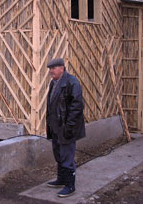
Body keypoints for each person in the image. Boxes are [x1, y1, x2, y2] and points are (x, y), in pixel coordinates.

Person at [45, 57, 86, 198]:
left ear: (62, 68)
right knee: (58, 154)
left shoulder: (72, 82)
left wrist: (69, 127)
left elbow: (77, 107)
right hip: (55, 127)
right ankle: (61, 179)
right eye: (50, 69)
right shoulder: (53, 83)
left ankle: (70, 185)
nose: (51, 71)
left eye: (53, 68)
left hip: (66, 128)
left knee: (67, 156)